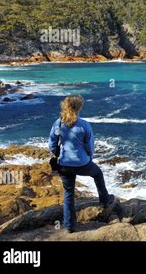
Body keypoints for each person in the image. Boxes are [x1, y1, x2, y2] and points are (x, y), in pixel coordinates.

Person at [49, 95, 115, 233]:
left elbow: (52, 145)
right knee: (97, 173)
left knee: (68, 194)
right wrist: (89, 157)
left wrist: (58, 154)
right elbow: (90, 147)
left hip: (64, 165)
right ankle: (105, 199)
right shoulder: (84, 125)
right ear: (79, 107)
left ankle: (69, 226)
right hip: (82, 164)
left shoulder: (58, 123)